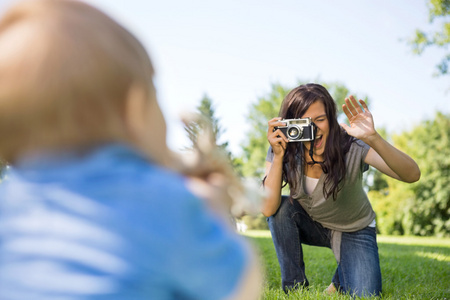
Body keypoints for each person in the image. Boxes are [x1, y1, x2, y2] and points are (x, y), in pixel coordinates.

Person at [0, 0, 261, 299]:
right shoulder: (166, 202)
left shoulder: (8, 207)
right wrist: (215, 212)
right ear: (135, 109)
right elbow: (240, 288)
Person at [262, 83, 420, 297]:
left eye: (320, 119)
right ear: (291, 123)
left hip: (352, 228)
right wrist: (279, 156)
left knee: (365, 294)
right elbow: (267, 208)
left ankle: (342, 275)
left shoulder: (351, 144)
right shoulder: (284, 148)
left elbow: (412, 175)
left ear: (331, 118)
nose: (315, 130)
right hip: (314, 222)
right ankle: (294, 287)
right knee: (280, 209)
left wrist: (373, 138)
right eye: (306, 123)